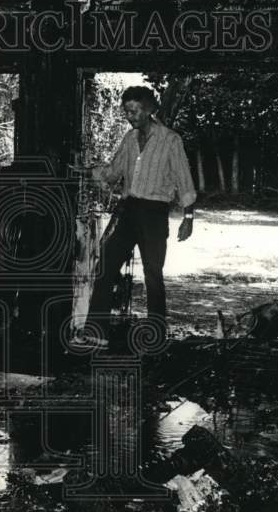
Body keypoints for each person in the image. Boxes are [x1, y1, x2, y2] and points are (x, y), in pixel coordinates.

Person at [73, 85, 197, 347]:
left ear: (150, 109)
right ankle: (97, 333)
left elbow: (183, 179)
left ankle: (156, 335)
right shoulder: (130, 139)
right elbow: (113, 172)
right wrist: (89, 172)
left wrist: (188, 217)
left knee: (153, 273)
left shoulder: (170, 140)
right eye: (127, 111)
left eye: (135, 110)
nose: (131, 116)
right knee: (105, 267)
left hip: (154, 214)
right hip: (129, 211)